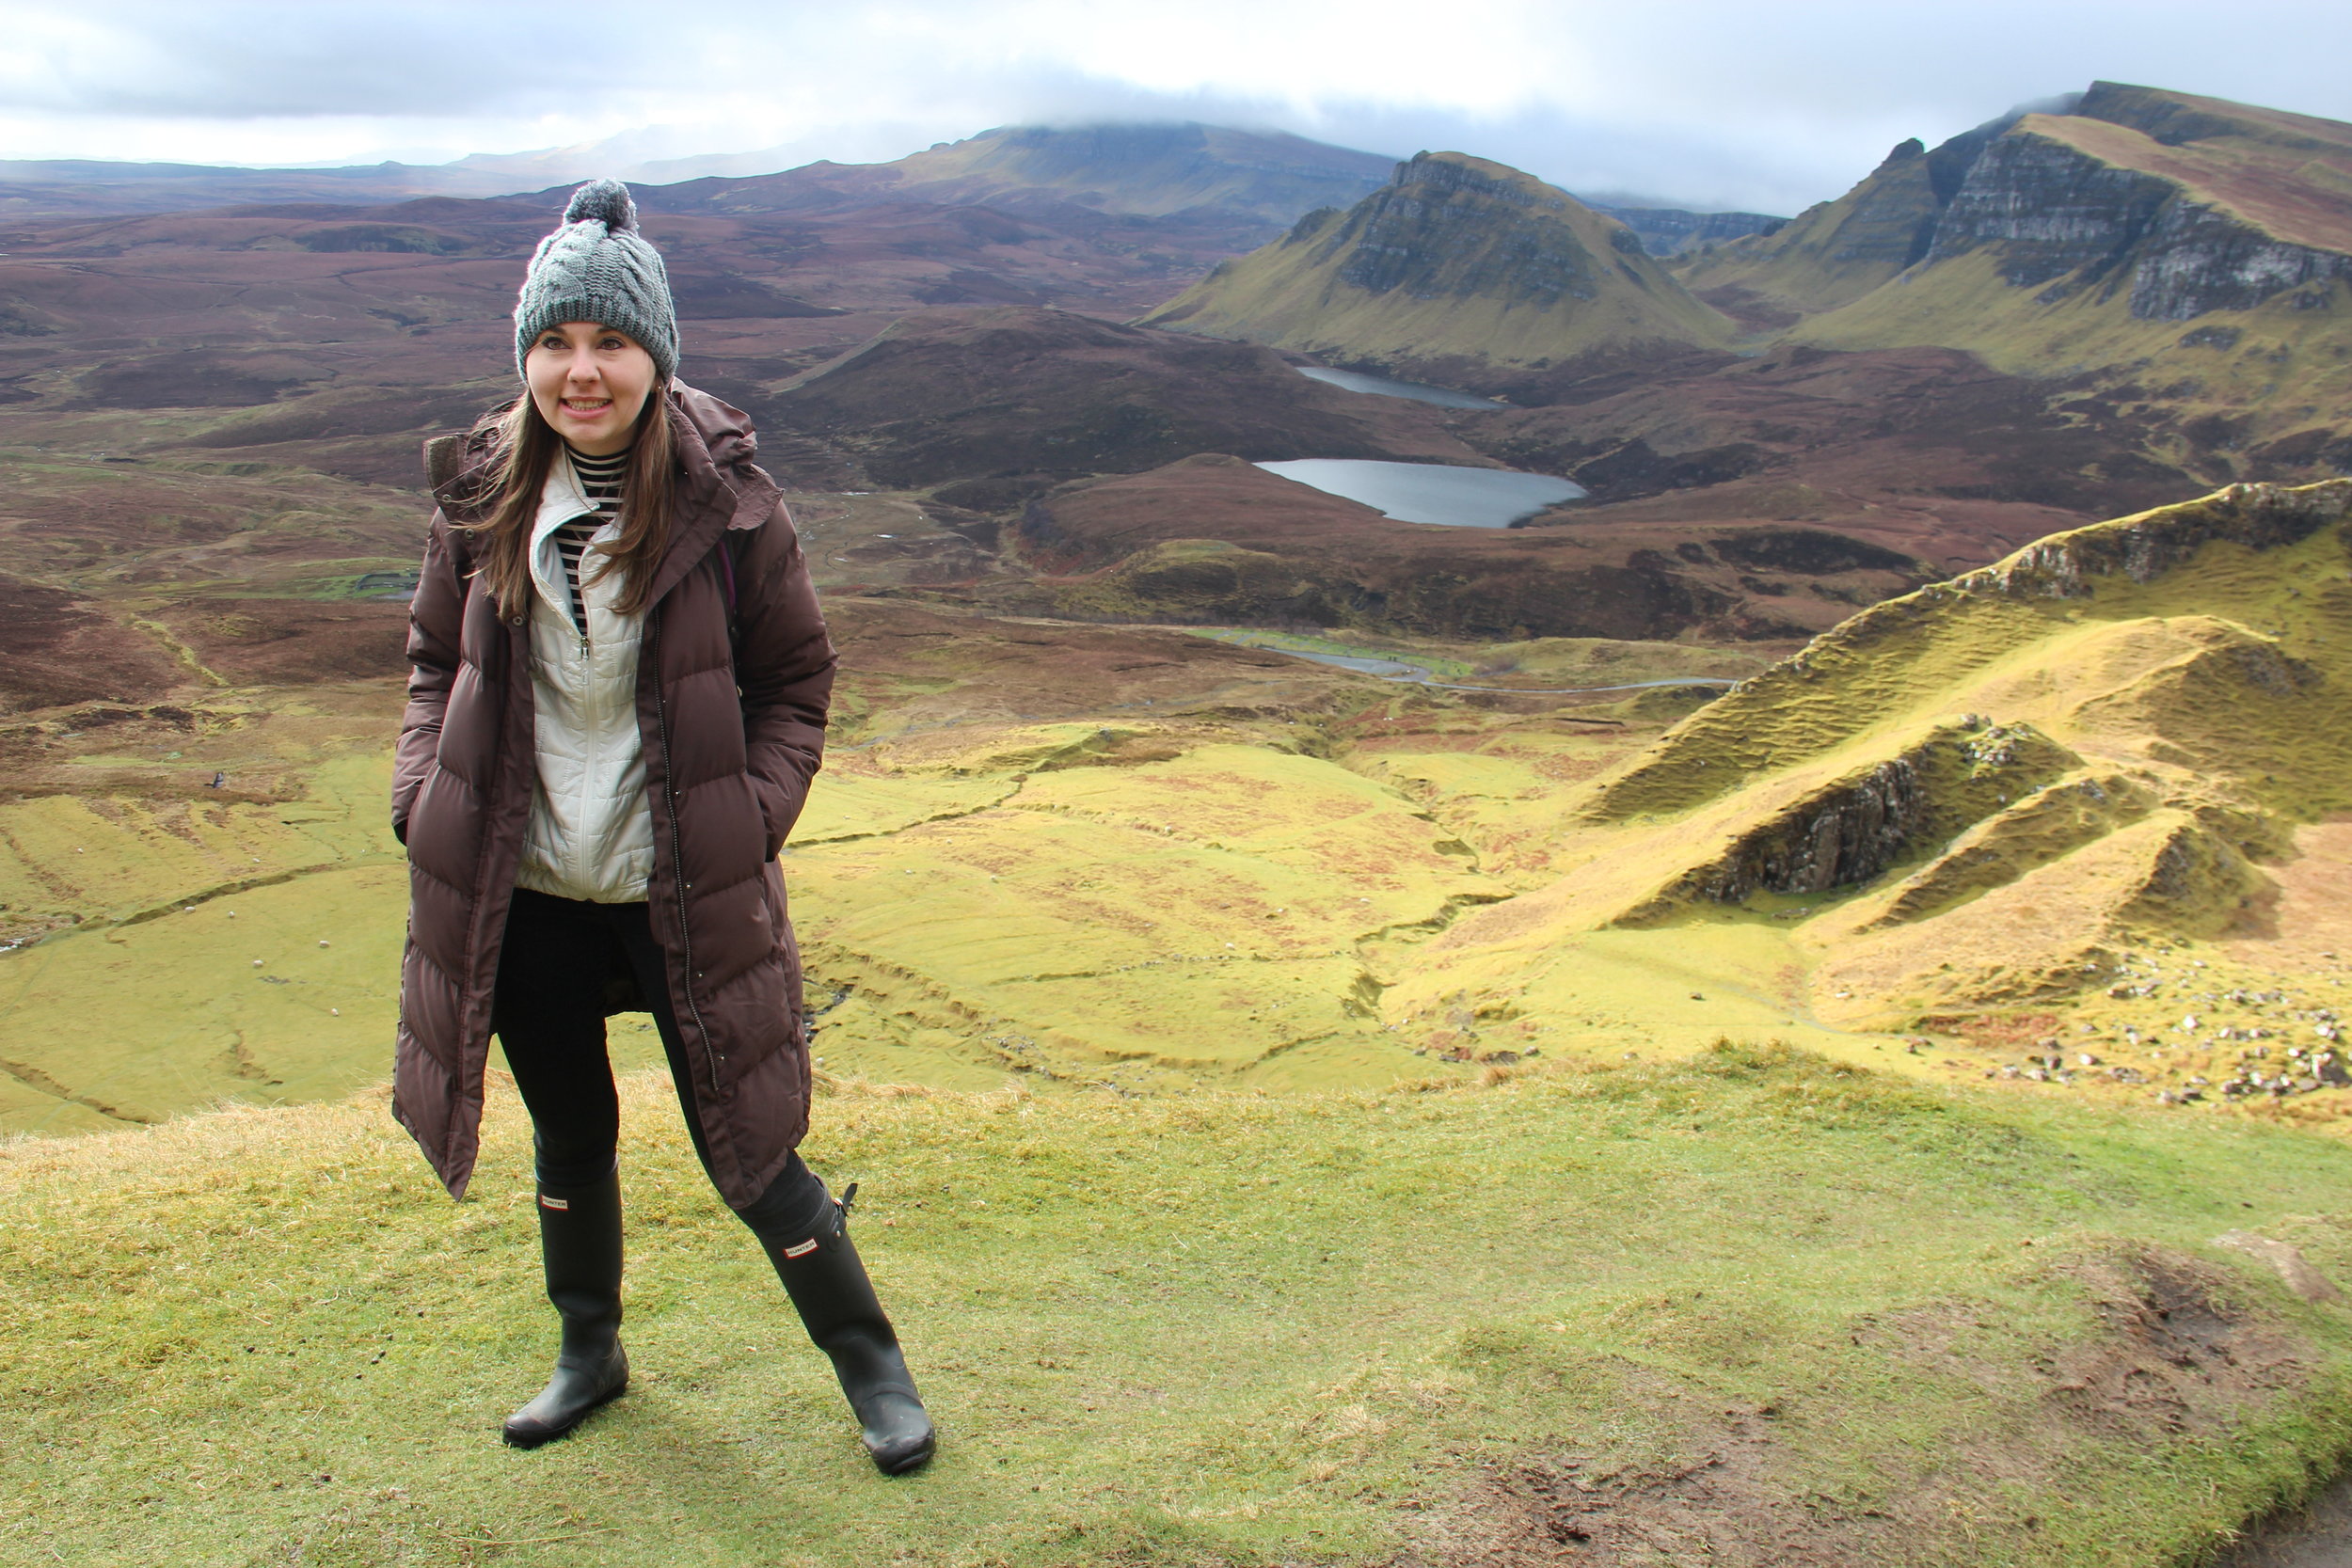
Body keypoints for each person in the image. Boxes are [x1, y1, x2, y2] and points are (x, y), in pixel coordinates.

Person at [387, 178, 933, 1473]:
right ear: (527, 351)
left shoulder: (733, 509)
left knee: (750, 1149)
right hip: (524, 891)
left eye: (610, 343)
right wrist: (420, 799)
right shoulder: (480, 494)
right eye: (557, 343)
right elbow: (425, 661)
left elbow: (798, 681)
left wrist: (750, 814)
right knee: (570, 1133)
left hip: (674, 885)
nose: (582, 372)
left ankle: (874, 1369)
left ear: (655, 354)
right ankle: (590, 1353)